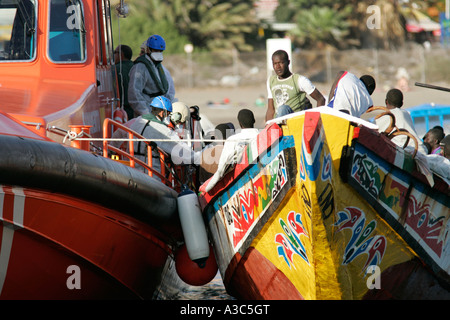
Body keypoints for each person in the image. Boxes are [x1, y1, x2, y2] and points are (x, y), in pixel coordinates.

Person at [128, 96, 201, 180]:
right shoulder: (162, 130)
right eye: (168, 114)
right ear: (163, 113)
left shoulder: (136, 121)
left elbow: (118, 134)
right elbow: (182, 152)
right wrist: (200, 157)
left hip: (130, 170)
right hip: (151, 174)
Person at [204, 109, 260, 192]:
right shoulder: (263, 135)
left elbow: (221, 170)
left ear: (240, 124)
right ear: (254, 120)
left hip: (242, 184)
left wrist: (206, 189)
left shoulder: (233, 140)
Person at [266, 50, 325, 121]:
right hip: (278, 123)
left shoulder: (300, 80)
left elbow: (320, 99)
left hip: (295, 122)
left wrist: (316, 121)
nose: (278, 67)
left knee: (283, 108)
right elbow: (270, 109)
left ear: (288, 62)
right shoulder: (271, 80)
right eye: (275, 64)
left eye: (281, 63)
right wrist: (268, 128)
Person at [128, 35, 175, 117]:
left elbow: (169, 91)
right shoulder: (140, 67)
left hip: (162, 111)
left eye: (160, 51)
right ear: (148, 50)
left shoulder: (160, 68)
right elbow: (134, 93)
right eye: (155, 50)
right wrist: (145, 113)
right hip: (147, 111)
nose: (158, 53)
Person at [375, 89, 428, 155]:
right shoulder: (406, 113)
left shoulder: (385, 116)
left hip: (402, 151)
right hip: (419, 149)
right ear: (402, 104)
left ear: (386, 102)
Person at [114, 45, 134, 120]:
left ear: (121, 55)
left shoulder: (116, 69)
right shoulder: (136, 67)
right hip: (136, 110)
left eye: (114, 52)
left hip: (123, 111)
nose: (113, 55)